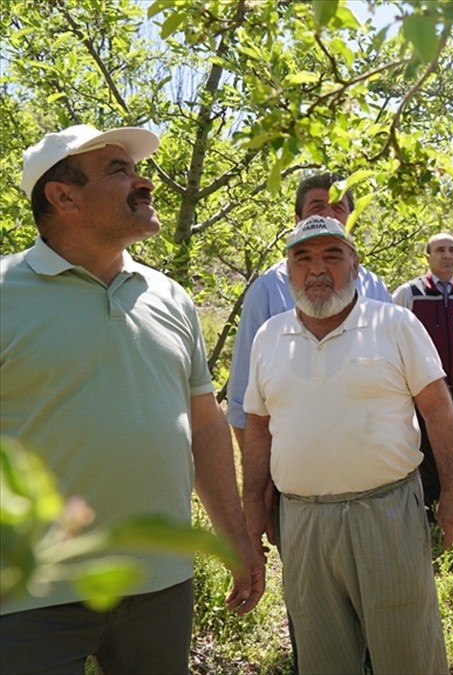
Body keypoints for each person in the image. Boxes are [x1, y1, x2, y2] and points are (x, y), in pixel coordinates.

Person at [0, 124, 264, 672]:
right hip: (30, 596)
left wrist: (235, 539)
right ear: (63, 195)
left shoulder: (171, 296)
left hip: (161, 587)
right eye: (118, 170)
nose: (142, 182)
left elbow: (207, 427)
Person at [241, 215, 453, 674]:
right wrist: (252, 499)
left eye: (332, 255)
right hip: (302, 520)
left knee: (407, 652)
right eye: (302, 258)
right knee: (323, 654)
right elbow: (258, 426)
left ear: (355, 264)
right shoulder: (269, 337)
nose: (317, 269)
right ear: (288, 271)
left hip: (387, 512)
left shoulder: (395, 323)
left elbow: (439, 412)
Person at [225, 171, 392, 451]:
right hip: (291, 467)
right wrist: (259, 486)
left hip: (372, 461)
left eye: (338, 208)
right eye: (317, 207)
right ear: (297, 221)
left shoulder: (375, 287)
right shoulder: (267, 290)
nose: (328, 215)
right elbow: (243, 401)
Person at [393, 233, 453, 519]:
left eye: (452, 250)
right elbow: (394, 340)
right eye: (440, 250)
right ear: (427, 256)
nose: (447, 255)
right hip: (421, 389)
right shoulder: (409, 293)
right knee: (425, 448)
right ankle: (426, 512)